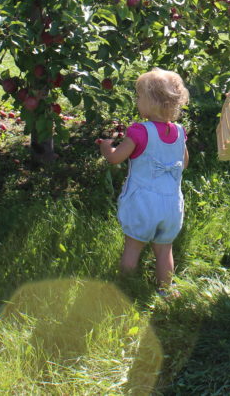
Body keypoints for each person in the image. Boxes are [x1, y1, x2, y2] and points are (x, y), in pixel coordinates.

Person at [98, 68, 190, 294]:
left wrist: (106, 147)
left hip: (143, 203)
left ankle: (125, 288)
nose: (138, 101)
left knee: (133, 246)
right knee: (164, 249)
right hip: (171, 205)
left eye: (139, 97)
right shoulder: (179, 132)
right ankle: (165, 290)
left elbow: (115, 158)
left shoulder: (140, 131)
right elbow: (184, 163)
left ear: (151, 102)